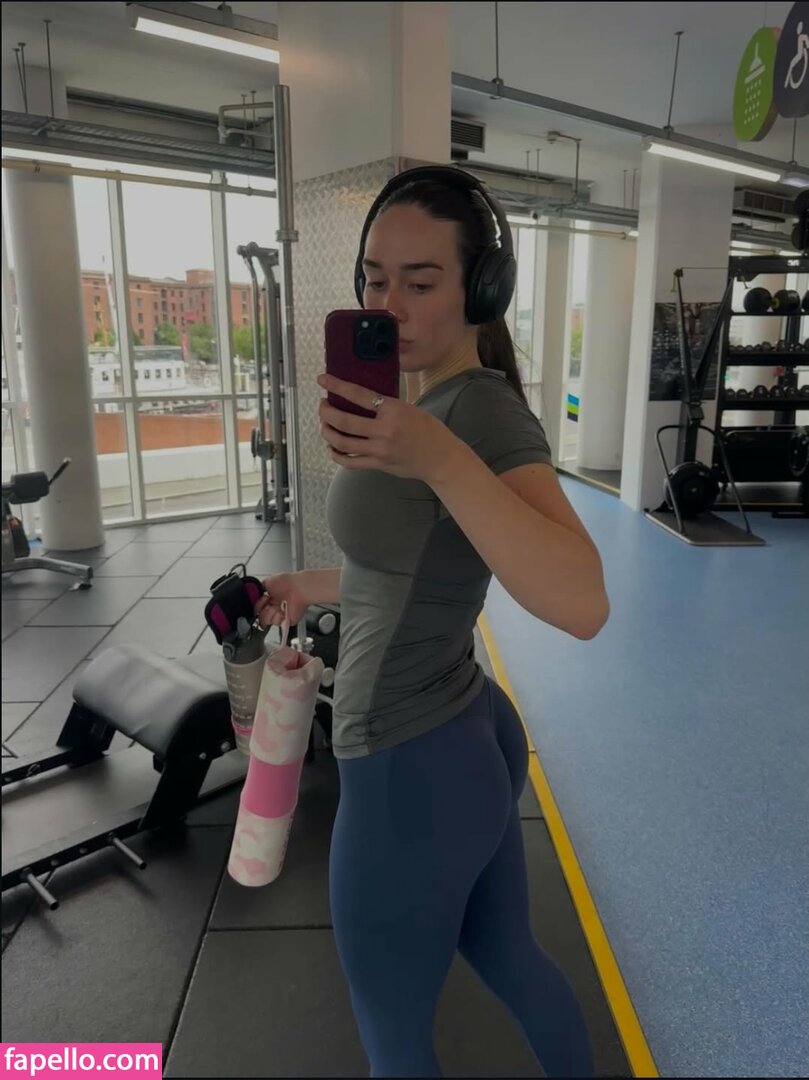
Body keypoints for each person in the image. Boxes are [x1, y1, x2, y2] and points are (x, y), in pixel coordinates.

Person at [255, 166, 610, 1078]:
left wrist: (442, 459)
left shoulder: (475, 412)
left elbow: (583, 604)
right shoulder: (424, 408)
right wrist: (309, 584)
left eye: (420, 282)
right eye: (375, 280)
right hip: (462, 730)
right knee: (510, 958)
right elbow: (408, 568)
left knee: (393, 1038)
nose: (390, 306)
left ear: (480, 292)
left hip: (407, 761)